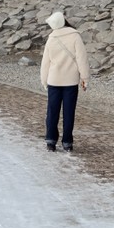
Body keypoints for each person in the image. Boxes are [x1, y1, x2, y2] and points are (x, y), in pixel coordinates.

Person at [40, 10, 89, 152]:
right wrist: (85, 78)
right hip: (71, 81)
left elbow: (46, 63)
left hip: (54, 80)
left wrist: (44, 80)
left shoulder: (51, 39)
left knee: (52, 112)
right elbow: (82, 59)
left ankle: (51, 140)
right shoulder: (75, 36)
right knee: (69, 113)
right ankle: (67, 142)